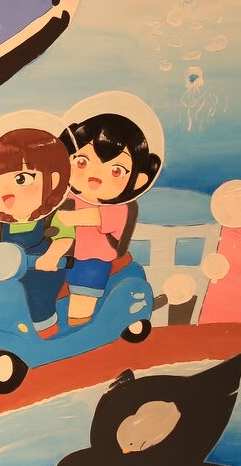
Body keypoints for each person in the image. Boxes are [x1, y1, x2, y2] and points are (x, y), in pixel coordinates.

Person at [0, 127, 75, 338]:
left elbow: (64, 239)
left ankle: (45, 329)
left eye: (21, 179)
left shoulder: (51, 219)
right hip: (9, 278)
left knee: (37, 299)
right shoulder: (2, 226)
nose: (5, 193)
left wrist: (51, 256)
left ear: (54, 180)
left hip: (41, 274)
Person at [54, 112, 162, 327]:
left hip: (91, 260)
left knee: (86, 280)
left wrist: (60, 217)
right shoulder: (64, 196)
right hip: (58, 256)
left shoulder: (118, 208)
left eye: (116, 170)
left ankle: (79, 323)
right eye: (82, 162)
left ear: (138, 180)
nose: (95, 174)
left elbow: (90, 217)